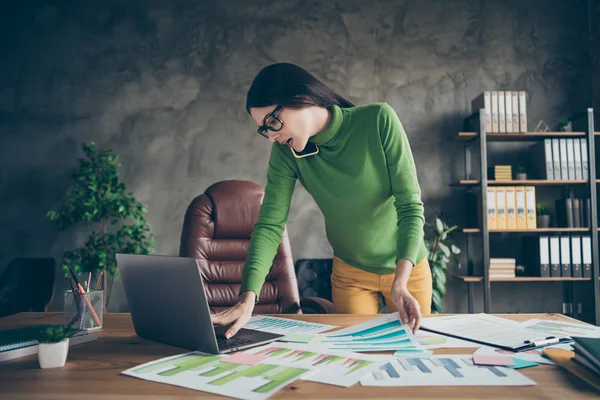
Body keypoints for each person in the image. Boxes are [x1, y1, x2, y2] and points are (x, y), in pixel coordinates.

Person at [211, 62, 432, 338]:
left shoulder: (378, 120)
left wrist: (400, 282)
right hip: (350, 273)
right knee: (355, 360)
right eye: (264, 129)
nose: (271, 136)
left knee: (410, 356)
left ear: (300, 98)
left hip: (406, 269)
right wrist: (247, 298)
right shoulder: (286, 153)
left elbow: (410, 208)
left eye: (272, 122)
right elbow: (270, 224)